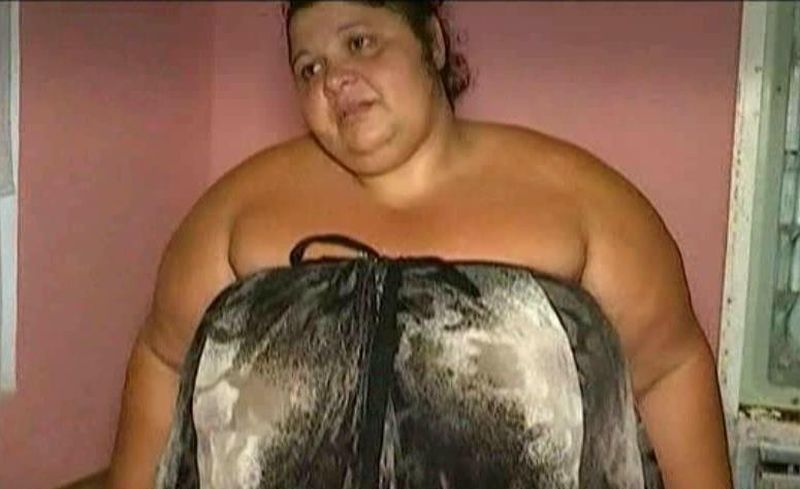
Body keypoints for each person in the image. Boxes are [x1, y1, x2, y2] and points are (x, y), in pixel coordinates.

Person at [108, 1, 733, 487]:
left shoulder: (587, 201)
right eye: (309, 67)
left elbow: (672, 370)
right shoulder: (232, 211)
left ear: (431, 41)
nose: (333, 79)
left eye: (360, 42)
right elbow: (162, 361)